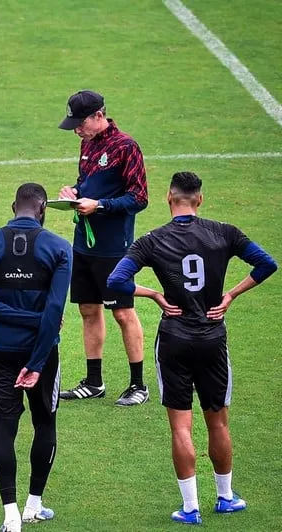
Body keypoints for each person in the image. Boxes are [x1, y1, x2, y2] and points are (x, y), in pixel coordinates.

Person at [107, 172, 277, 525]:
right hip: (213, 338)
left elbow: (116, 280)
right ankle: (226, 497)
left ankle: (190, 508)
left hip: (174, 339)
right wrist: (230, 295)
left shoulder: (152, 240)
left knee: (181, 428)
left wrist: (154, 295)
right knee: (218, 423)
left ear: (169, 198)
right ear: (200, 200)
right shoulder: (225, 233)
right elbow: (267, 264)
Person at [0, 183, 72, 531]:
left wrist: (24, 319)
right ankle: (34, 505)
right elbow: (54, 311)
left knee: (4, 427)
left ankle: (10, 516)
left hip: (1, 351)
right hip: (42, 353)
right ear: (43, 209)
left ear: (13, 207)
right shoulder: (59, 248)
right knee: (45, 423)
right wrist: (37, 360)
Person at [57, 89, 149, 406]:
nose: (76, 131)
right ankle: (94, 382)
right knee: (88, 309)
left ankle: (139, 385)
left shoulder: (126, 147)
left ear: (99, 115)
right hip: (84, 243)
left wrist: (100, 205)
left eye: (80, 124)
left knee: (122, 312)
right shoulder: (87, 143)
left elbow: (139, 198)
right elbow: (88, 183)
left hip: (114, 247)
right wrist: (74, 192)